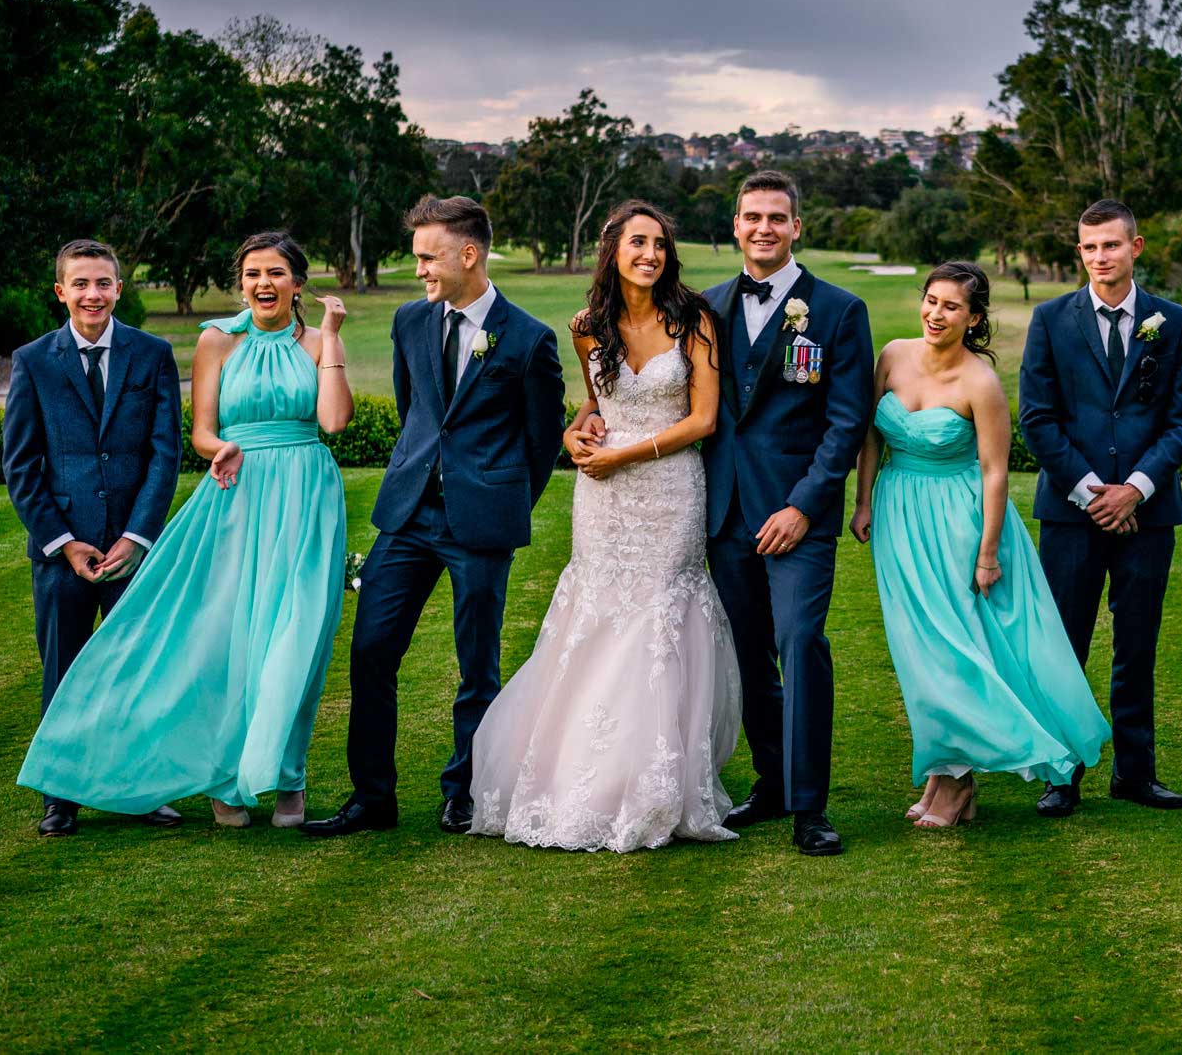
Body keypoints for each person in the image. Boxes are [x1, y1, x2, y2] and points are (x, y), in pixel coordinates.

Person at [17, 231, 353, 828]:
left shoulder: (161, 353)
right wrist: (221, 446)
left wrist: (328, 338)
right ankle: (79, 795)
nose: (263, 283)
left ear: (297, 283)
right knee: (208, 647)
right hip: (228, 503)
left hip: (302, 505)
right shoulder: (213, 341)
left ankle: (274, 778)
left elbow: (327, 421)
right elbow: (192, 435)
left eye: (275, 273)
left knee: (289, 644)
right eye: (252, 273)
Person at [469, 201, 741, 852]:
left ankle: (655, 784)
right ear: (613, 250)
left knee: (657, 619)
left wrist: (626, 452)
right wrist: (576, 427)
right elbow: (600, 400)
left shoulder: (695, 319)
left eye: (658, 243)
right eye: (636, 241)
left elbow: (703, 419)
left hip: (670, 489)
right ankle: (580, 777)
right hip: (604, 500)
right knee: (597, 613)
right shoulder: (588, 325)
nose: (649, 253)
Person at [304, 196, 565, 839]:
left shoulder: (529, 339)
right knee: (370, 653)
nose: (419, 268)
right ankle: (372, 798)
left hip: (480, 525)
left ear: (468, 255)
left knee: (477, 666)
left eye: (428, 256)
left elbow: (542, 442)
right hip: (407, 516)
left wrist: (498, 503)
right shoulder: (409, 322)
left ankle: (466, 792)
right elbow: (412, 407)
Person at [850, 263, 1109, 828]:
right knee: (919, 653)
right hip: (900, 516)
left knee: (954, 653)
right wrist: (864, 500)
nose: (936, 314)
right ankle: (944, 775)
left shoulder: (981, 383)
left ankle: (958, 785)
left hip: (960, 523)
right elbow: (870, 434)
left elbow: (996, 473)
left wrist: (987, 553)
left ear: (973, 318)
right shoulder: (892, 355)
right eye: (931, 301)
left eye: (951, 307)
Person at [691, 170, 873, 856]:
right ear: (734, 226)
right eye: (751, 217)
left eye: (776, 217)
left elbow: (847, 421)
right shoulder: (704, 306)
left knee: (800, 642)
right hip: (726, 509)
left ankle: (809, 805)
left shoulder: (838, 310)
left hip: (799, 515)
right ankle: (770, 781)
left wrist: (803, 506)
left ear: (798, 226)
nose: (763, 227)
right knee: (746, 656)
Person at [1017, 199, 1182, 817]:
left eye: (1112, 246)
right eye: (1090, 248)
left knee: (1137, 645)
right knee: (1064, 645)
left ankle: (1135, 774)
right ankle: (1060, 775)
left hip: (1148, 514)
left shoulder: (1172, 322)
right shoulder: (1050, 319)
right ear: (1080, 253)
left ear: (1136, 247)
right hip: (1072, 513)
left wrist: (1137, 489)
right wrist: (1094, 490)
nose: (1101, 257)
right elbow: (1037, 420)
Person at [2, 239, 184, 837]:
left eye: (103, 283)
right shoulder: (33, 361)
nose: (92, 295)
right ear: (61, 292)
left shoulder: (152, 354)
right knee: (64, 671)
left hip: (132, 550)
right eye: (80, 284)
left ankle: (140, 790)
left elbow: (164, 453)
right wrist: (62, 540)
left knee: (139, 669)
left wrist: (136, 537)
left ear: (118, 289)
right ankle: (62, 797)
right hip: (63, 555)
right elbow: (22, 465)